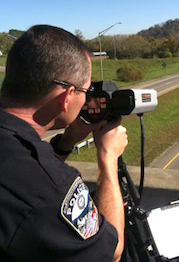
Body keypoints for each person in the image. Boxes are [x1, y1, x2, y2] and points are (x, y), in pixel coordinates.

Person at [0, 25, 128, 262]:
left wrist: (66, 142)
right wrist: (108, 157)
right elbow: (111, 251)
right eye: (86, 91)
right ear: (67, 97)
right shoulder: (52, 188)